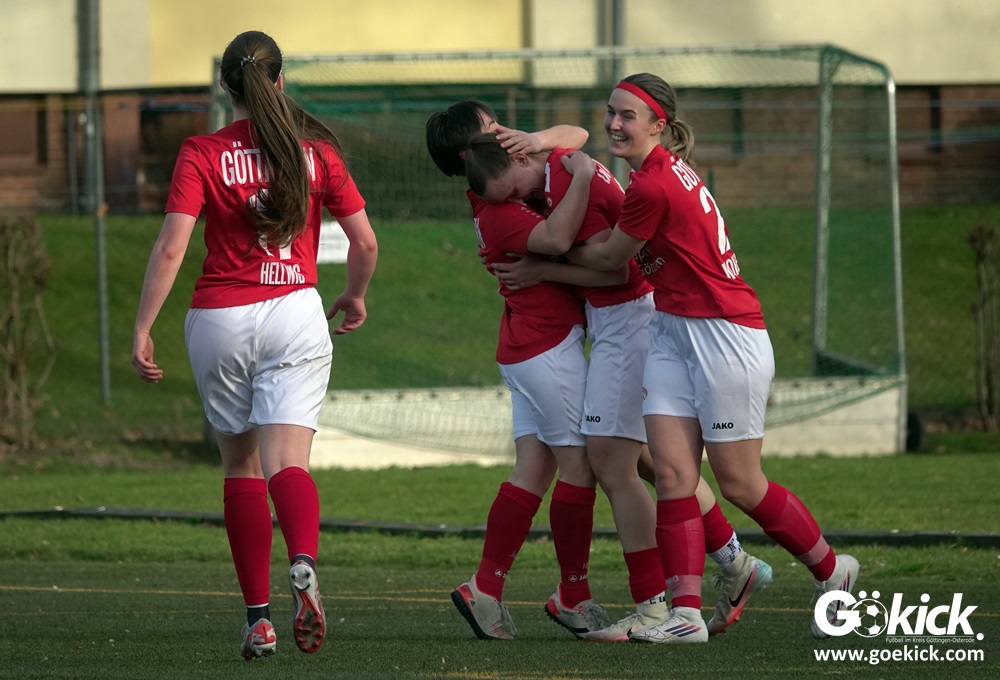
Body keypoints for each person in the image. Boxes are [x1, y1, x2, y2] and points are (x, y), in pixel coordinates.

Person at [564, 72, 860, 644]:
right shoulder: (652, 174)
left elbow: (610, 259)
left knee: (740, 484)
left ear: (659, 125)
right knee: (673, 473)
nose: (614, 124)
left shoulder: (653, 185)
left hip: (725, 334)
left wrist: (541, 255)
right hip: (672, 330)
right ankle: (686, 616)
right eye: (610, 112)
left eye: (628, 116)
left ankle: (831, 569)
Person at [464, 136, 773, 641]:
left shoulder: (564, 180)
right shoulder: (552, 171)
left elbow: (611, 266)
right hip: (616, 323)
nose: (518, 200)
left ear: (519, 154)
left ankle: (651, 605)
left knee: (610, 462)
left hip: (624, 323)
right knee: (645, 460)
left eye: (515, 189)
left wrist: (544, 264)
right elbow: (572, 146)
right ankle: (731, 563)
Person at [131, 30, 378, 660]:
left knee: (240, 467)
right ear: (280, 81)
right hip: (295, 311)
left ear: (226, 88)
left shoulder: (201, 152)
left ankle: (259, 621)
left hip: (220, 319)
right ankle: (304, 561)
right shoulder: (317, 152)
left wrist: (143, 327)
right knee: (287, 463)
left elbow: (172, 247)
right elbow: (365, 242)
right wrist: (354, 294)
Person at [426, 100, 617, 641]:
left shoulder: (507, 183)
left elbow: (576, 133)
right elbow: (557, 239)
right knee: (580, 468)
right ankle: (574, 597)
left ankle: (484, 589)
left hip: (528, 347)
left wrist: (538, 140)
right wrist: (582, 176)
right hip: (545, 349)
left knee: (532, 470)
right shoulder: (500, 207)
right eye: (491, 129)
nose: (504, 133)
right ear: (470, 156)